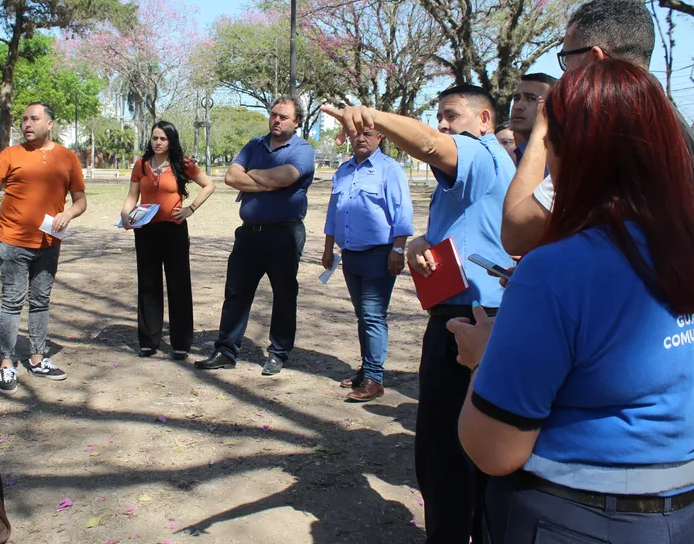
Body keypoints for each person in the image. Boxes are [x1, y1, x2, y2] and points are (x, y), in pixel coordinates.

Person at [451, 60, 694, 544]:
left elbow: (494, 450)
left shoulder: (556, 270)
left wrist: (483, 358)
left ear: (567, 151)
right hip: (684, 518)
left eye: (548, 140)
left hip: (567, 519)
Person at [323, 85, 515, 544]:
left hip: (473, 318)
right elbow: (460, 230)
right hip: (464, 310)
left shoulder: (482, 155)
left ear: (485, 120)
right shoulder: (474, 171)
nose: (443, 125)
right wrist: (417, 244)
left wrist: (370, 116)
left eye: (452, 115)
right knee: (454, 443)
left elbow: (429, 143)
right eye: (439, 116)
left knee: (448, 447)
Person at [501, 0, 694, 256]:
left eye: (566, 58)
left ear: (594, 59)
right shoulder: (670, 124)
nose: (565, 76)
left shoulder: (602, 135)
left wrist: (542, 128)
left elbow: (515, 233)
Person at [0, 102, 86, 394]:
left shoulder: (67, 158)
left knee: (41, 301)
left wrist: (68, 214)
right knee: (12, 301)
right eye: (24, 119)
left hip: (49, 242)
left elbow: (80, 200)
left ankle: (37, 358)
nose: (26, 124)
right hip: (13, 240)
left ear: (50, 123)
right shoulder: (10, 154)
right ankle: (7, 363)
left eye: (33, 119)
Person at [195, 97, 315, 376]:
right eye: (274, 115)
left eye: (284, 117)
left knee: (284, 295)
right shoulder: (254, 144)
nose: (276, 120)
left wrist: (252, 176)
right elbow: (231, 177)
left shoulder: (303, 150)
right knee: (236, 292)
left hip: (284, 234)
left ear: (297, 122)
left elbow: (286, 176)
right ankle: (226, 350)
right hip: (248, 234)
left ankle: (278, 352)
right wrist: (267, 183)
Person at [322, 127, 413, 402]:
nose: (361, 138)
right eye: (356, 133)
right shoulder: (344, 170)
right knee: (362, 314)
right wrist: (328, 249)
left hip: (379, 255)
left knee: (373, 315)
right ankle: (366, 369)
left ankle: (375, 378)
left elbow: (403, 212)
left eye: (367, 133)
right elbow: (333, 212)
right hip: (350, 254)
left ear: (379, 138)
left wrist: (398, 249)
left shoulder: (390, 169)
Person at [120, 120, 216, 359]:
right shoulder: (141, 165)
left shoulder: (182, 165)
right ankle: (149, 340)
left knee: (178, 285)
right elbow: (133, 196)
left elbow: (209, 185)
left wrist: (190, 209)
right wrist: (125, 214)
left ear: (171, 141)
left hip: (174, 231)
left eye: (163, 138)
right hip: (146, 230)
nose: (158, 142)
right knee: (148, 284)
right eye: (154, 138)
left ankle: (181, 342)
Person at [508, 73, 555, 164]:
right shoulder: (515, 155)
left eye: (530, 98)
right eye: (516, 99)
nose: (517, 106)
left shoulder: (558, 161)